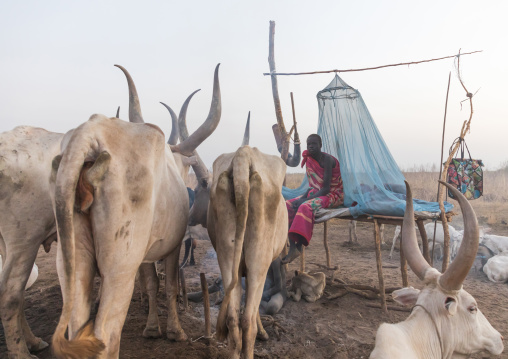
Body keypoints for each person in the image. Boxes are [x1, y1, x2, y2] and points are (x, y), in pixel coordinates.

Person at [282, 134, 344, 264]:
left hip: (333, 195)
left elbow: (326, 189)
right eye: (308, 144)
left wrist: (303, 201)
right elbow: (312, 187)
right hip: (317, 192)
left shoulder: (327, 159)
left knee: (305, 206)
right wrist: (303, 197)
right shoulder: (309, 160)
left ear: (320, 145)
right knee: (287, 205)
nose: (311, 146)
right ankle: (292, 247)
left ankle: (299, 245)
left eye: (314, 144)